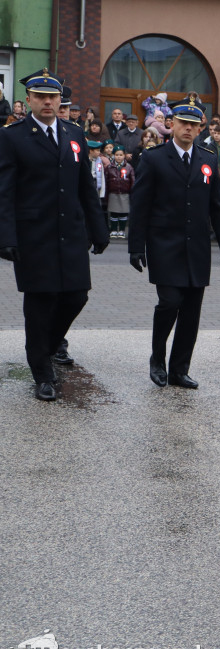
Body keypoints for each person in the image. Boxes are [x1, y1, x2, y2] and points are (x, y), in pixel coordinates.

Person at [0, 68, 108, 401]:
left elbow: (85, 186)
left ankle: (44, 347)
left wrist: (98, 227)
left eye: (53, 97)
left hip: (71, 231)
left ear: (61, 99)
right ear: (29, 100)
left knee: (77, 296)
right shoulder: (12, 136)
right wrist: (6, 236)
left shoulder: (74, 134)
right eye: (41, 97)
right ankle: (42, 372)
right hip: (34, 234)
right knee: (40, 302)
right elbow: (4, 191)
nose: (48, 102)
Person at [127, 96, 220, 390]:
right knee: (169, 302)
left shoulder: (208, 159)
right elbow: (140, 206)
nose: (188, 129)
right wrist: (136, 246)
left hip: (197, 248)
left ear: (200, 128)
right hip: (164, 245)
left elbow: (218, 208)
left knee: (191, 311)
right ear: (171, 124)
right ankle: (157, 359)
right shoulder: (153, 158)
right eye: (183, 124)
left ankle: (179, 369)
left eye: (193, 125)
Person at [104, 145, 134, 238]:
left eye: (121, 155)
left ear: (124, 155)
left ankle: (121, 230)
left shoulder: (129, 167)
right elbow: (106, 179)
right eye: (117, 155)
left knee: (123, 213)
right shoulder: (109, 167)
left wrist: (132, 190)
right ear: (114, 156)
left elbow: (132, 180)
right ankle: (113, 230)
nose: (119, 157)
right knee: (114, 213)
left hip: (124, 193)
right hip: (113, 193)